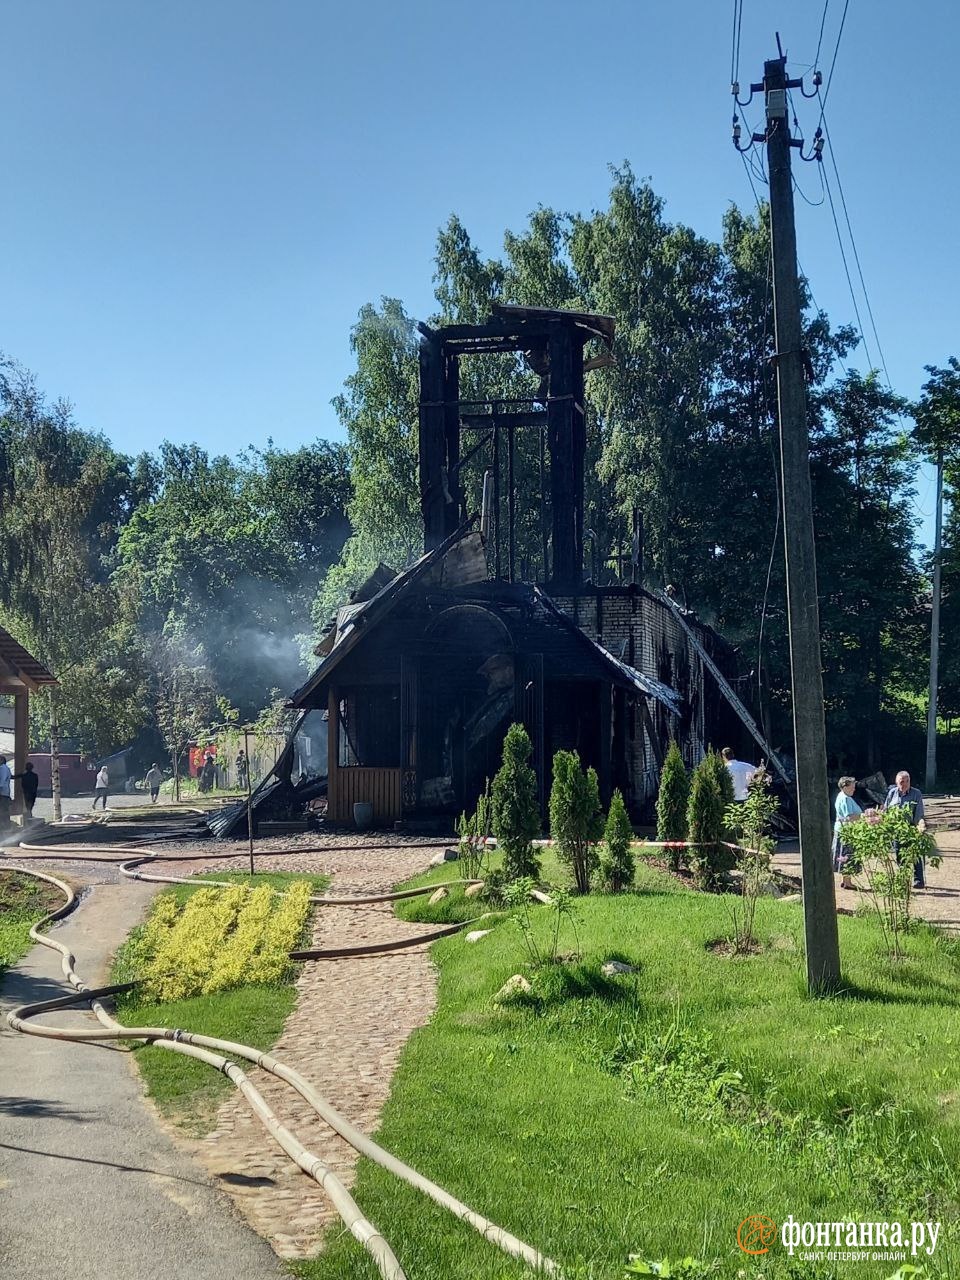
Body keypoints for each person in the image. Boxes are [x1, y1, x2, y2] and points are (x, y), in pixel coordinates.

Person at [883, 771, 927, 889]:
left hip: (912, 828)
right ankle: (904, 878)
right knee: (899, 854)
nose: (905, 784)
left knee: (915, 855)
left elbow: (919, 812)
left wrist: (919, 828)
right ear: (897, 782)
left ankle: (918, 880)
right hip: (897, 830)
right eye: (902, 781)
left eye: (907, 781)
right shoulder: (892, 793)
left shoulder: (916, 793)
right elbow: (886, 809)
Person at [832, 776, 862, 890]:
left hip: (842, 830)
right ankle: (847, 881)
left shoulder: (842, 796)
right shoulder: (845, 798)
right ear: (845, 787)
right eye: (852, 787)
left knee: (843, 855)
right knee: (847, 855)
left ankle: (846, 880)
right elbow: (849, 816)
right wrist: (863, 816)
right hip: (846, 831)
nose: (854, 789)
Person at [0, 756, 11, 829]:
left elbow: (2, 781)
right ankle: (6, 826)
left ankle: (4, 826)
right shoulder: (7, 768)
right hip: (5, 792)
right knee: (5, 810)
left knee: (3, 810)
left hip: (2, 793)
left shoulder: (2, 768)